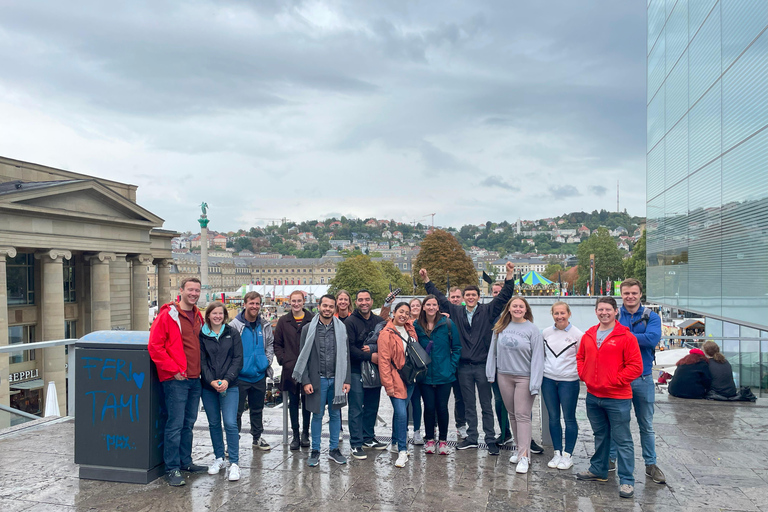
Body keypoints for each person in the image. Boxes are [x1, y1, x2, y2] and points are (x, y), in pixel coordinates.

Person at [420, 261, 516, 455]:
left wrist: (510, 275)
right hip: (463, 367)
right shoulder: (456, 312)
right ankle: (472, 437)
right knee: (468, 404)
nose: (470, 297)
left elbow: (505, 297)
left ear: (479, 297)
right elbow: (439, 298)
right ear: (463, 298)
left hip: (481, 365)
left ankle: (489, 438)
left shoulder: (488, 311)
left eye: (473, 295)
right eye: (467, 295)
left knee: (486, 404)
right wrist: (427, 281)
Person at [576, 297, 643, 499]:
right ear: (596, 312)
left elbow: (636, 367)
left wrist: (615, 380)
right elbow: (580, 358)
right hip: (593, 396)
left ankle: (627, 481)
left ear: (615, 312)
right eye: (600, 309)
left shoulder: (626, 337)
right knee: (600, 435)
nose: (604, 313)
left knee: (622, 440)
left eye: (608, 309)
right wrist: (584, 375)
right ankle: (599, 470)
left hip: (617, 397)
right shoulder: (589, 335)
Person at [148, 277, 208, 487]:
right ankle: (171, 468)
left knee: (188, 423)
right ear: (181, 290)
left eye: (197, 290)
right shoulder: (167, 315)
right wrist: (173, 371)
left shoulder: (197, 314)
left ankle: (185, 461)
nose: (194, 294)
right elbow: (155, 346)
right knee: (174, 424)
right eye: (190, 290)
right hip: (176, 380)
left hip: (194, 379)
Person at [609, 278, 666, 485]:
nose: (630, 297)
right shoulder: (614, 314)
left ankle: (651, 464)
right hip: (620, 379)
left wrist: (622, 337)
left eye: (633, 293)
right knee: (617, 423)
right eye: (626, 293)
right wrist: (634, 336)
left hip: (642, 378)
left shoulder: (651, 317)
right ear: (621, 295)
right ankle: (611, 459)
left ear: (640, 294)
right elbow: (608, 338)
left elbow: (652, 339)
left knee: (646, 425)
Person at [486, 296, 544, 474]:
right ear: (509, 309)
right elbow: (492, 352)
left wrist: (535, 383)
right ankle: (520, 450)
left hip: (524, 377)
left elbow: (538, 359)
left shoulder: (533, 330)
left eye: (521, 306)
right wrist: (491, 373)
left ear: (526, 309)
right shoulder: (501, 327)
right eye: (514, 306)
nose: (518, 309)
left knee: (523, 415)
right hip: (504, 375)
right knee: (512, 414)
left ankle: (525, 456)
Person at [293, 294, 351, 467]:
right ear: (318, 306)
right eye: (324, 305)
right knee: (317, 415)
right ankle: (315, 450)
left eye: (330, 306)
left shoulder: (341, 328)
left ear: (334, 309)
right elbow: (303, 357)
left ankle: (334, 449)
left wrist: (346, 379)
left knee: (335, 415)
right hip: (317, 379)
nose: (327, 309)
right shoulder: (307, 329)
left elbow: (346, 355)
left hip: (336, 378)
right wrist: (305, 381)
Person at [199, 302, 243, 481]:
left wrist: (227, 379)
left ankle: (234, 462)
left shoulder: (232, 333)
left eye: (220, 313)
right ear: (208, 315)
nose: (217, 316)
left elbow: (238, 358)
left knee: (231, 423)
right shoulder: (201, 335)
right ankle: (219, 458)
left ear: (224, 315)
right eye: (214, 313)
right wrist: (211, 381)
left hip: (230, 385)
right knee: (214, 423)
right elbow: (201, 361)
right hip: (208, 387)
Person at [414, 295, 461, 455]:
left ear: (438, 307)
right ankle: (429, 439)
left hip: (444, 374)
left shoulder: (447, 324)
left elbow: (456, 347)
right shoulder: (417, 325)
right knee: (428, 408)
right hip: (425, 374)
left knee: (442, 408)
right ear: (424, 307)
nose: (431, 307)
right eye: (428, 304)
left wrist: (451, 367)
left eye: (434, 304)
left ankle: (442, 440)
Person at [541, 302, 583, 470]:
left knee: (569, 418)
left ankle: (568, 454)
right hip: (548, 380)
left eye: (562, 313)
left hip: (569, 381)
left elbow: (582, 357)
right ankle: (557, 452)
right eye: (556, 313)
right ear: (552, 315)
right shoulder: (545, 333)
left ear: (569, 314)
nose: (559, 316)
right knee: (553, 417)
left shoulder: (578, 335)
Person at [345, 289, 387, 459]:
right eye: (360, 300)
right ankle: (355, 442)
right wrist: (370, 356)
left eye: (367, 299)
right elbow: (350, 348)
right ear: (356, 302)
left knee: (372, 406)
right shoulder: (350, 322)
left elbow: (385, 343)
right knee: (356, 408)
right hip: (356, 369)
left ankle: (368, 437)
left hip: (374, 370)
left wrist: (375, 351)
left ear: (371, 301)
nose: (364, 302)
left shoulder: (379, 320)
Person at [230, 291, 274, 451]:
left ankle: (257, 437)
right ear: (245, 304)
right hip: (240, 376)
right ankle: (233, 441)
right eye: (251, 303)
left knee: (257, 409)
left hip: (259, 374)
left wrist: (266, 362)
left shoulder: (265, 325)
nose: (255, 306)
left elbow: (270, 344)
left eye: (257, 303)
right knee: (236, 412)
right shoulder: (235, 326)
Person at [378, 303, 419, 467]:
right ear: (393, 313)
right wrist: (387, 384)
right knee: (402, 413)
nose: (403, 315)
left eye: (407, 313)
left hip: (410, 377)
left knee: (400, 411)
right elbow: (384, 361)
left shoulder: (410, 329)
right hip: (395, 379)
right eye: (400, 311)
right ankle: (402, 450)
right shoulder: (386, 334)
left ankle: (395, 442)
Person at [274, 290, 313, 450]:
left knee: (307, 402)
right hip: (290, 368)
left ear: (304, 302)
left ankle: (305, 433)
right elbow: (277, 344)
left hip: (308, 368)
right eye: (293, 301)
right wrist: (284, 359)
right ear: (289, 302)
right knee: (293, 401)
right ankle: (295, 434)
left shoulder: (311, 319)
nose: (296, 304)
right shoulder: (283, 321)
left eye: (299, 301)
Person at [490, 281, 513, 448]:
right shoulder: (490, 314)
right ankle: (505, 432)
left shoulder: (517, 315)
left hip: (517, 368)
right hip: (498, 366)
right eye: (495, 292)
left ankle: (524, 435)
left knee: (521, 403)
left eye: (500, 292)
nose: (498, 295)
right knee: (499, 401)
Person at [447, 286, 468, 439]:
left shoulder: (466, 314)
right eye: (452, 297)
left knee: (460, 396)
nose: (455, 299)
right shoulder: (443, 316)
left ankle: (461, 424)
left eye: (457, 297)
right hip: (444, 362)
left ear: (462, 298)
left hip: (460, 362)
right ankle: (434, 426)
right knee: (440, 397)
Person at [407, 297, 425, 445]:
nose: (415, 307)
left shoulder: (424, 324)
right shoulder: (405, 324)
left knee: (417, 400)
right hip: (407, 367)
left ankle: (417, 431)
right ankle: (404, 430)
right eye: (412, 306)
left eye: (417, 305)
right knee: (406, 401)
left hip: (420, 367)